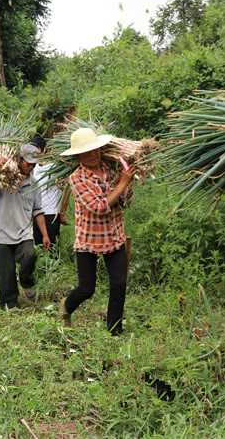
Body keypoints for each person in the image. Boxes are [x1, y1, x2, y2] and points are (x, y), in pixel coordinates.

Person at [58, 128, 136, 336]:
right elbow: (99, 208)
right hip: (89, 239)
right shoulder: (76, 178)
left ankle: (114, 330)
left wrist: (127, 187)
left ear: (101, 149)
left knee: (119, 284)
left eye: (95, 150)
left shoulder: (111, 171)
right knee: (87, 289)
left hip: (114, 235)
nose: (92, 155)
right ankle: (65, 307)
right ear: (78, 156)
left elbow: (124, 201)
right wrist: (122, 183)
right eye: (86, 152)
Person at [0, 144, 51, 311]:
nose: (31, 167)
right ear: (19, 159)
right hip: (1, 233)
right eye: (28, 163)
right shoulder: (4, 176)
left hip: (23, 232)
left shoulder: (34, 183)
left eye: (33, 164)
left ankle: (26, 280)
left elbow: (38, 211)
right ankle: (10, 303)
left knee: (30, 255)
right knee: (6, 271)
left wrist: (45, 234)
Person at [29, 135, 69, 248]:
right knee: (38, 246)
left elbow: (66, 190)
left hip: (51, 213)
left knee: (51, 247)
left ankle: (54, 266)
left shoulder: (55, 167)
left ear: (42, 149)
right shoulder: (34, 167)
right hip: (37, 213)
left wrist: (62, 212)